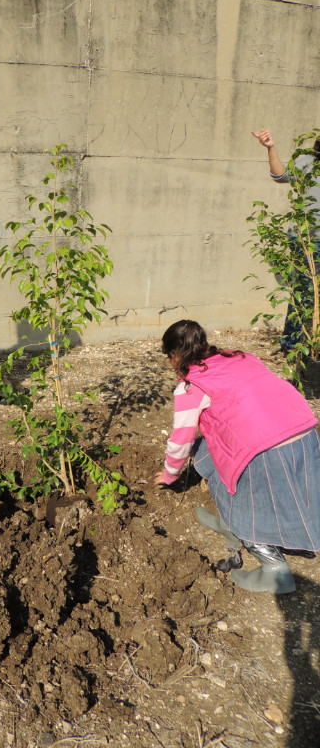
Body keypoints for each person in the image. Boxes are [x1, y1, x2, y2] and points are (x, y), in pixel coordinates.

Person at [154, 319, 320, 594]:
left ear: (174, 356)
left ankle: (274, 568)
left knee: (243, 487)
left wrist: (170, 474)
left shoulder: (191, 388)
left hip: (264, 446)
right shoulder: (241, 357)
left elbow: (180, 440)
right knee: (210, 449)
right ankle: (234, 523)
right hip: (303, 430)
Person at [252, 128, 320, 350]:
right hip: (308, 238)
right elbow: (281, 175)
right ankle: (292, 344)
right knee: (305, 291)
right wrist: (271, 147)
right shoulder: (309, 162)